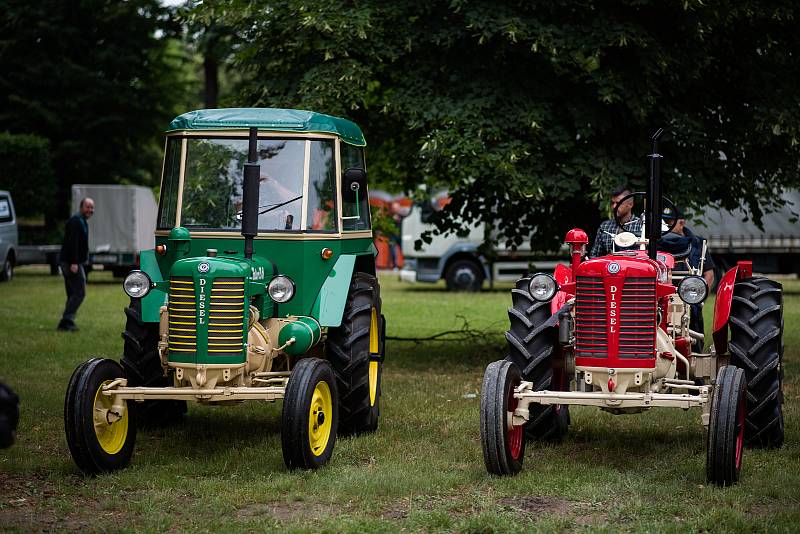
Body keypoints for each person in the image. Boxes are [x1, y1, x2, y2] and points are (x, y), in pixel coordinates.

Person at [659, 218, 716, 351]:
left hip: (689, 300)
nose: (666, 227)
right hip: (663, 298)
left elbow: (709, 274)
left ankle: (694, 361)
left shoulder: (697, 243)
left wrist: (698, 298)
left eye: (669, 223)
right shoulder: (658, 243)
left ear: (681, 223)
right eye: (665, 223)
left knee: (694, 339)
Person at [57, 197, 94, 331]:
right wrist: (74, 262)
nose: (90, 210)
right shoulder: (75, 221)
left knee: (72, 292)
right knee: (80, 292)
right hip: (71, 262)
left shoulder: (81, 221)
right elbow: (72, 243)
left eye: (92, 207)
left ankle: (66, 323)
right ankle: (66, 320)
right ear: (81, 207)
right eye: (88, 207)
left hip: (73, 261)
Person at [590, 187, 644, 257]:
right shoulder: (605, 227)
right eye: (613, 203)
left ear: (630, 204)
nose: (614, 206)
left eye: (618, 203)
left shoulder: (641, 226)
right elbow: (594, 256)